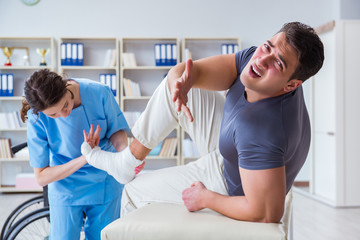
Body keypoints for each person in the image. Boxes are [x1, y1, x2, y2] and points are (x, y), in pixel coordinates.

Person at [82, 21, 324, 223]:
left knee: (132, 192)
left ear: (292, 84)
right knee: (177, 84)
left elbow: (266, 214)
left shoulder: (261, 129)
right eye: (267, 47)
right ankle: (129, 160)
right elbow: (188, 73)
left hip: (231, 184)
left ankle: (129, 173)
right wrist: (185, 82)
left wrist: (207, 198)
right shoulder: (254, 60)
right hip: (234, 148)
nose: (262, 60)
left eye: (278, 63)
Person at [20, 69, 141, 240]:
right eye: (53, 115)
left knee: (103, 236)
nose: (63, 114)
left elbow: (116, 131)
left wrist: (125, 157)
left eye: (65, 105)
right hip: (64, 184)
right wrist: (87, 157)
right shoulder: (36, 117)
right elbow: (41, 176)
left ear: (65, 88)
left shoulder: (98, 93)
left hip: (104, 179)